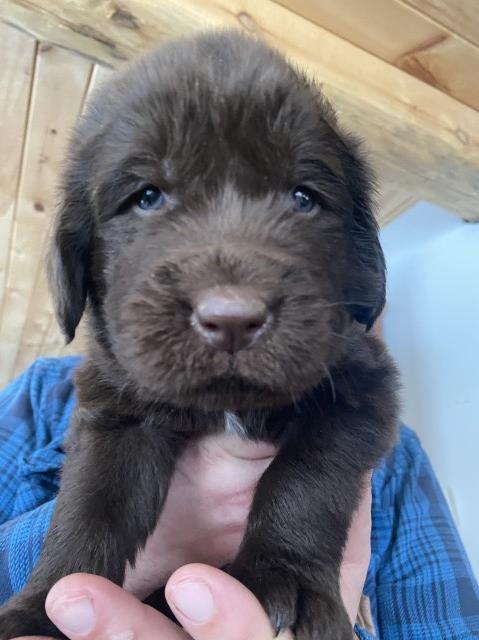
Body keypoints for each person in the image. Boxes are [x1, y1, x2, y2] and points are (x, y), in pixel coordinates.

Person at [0, 357, 478, 639]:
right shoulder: (43, 394)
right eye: (147, 201)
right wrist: (72, 564)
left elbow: (449, 625)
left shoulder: (399, 458)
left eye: (303, 205)